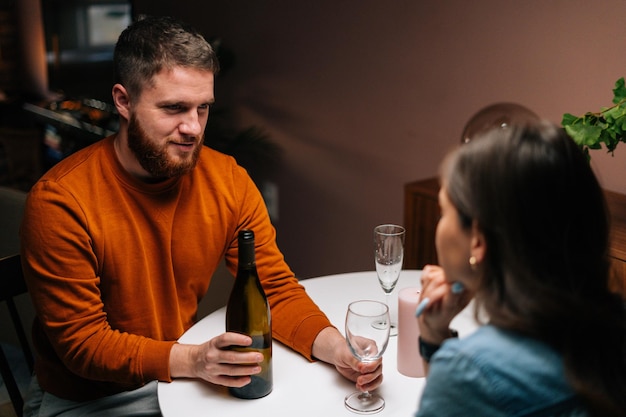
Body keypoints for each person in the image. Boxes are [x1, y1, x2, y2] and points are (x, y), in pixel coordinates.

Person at [19, 15, 381, 416]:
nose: (192, 127)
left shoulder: (226, 178)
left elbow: (273, 288)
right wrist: (193, 361)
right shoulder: (60, 202)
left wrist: (335, 348)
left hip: (183, 378)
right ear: (123, 101)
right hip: (91, 398)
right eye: (174, 108)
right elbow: (84, 345)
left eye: (202, 108)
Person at [414, 121, 626, 416]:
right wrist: (434, 339)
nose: (439, 224)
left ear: (477, 240)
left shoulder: (471, 372)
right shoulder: (613, 331)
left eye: (443, 211)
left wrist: (446, 359)